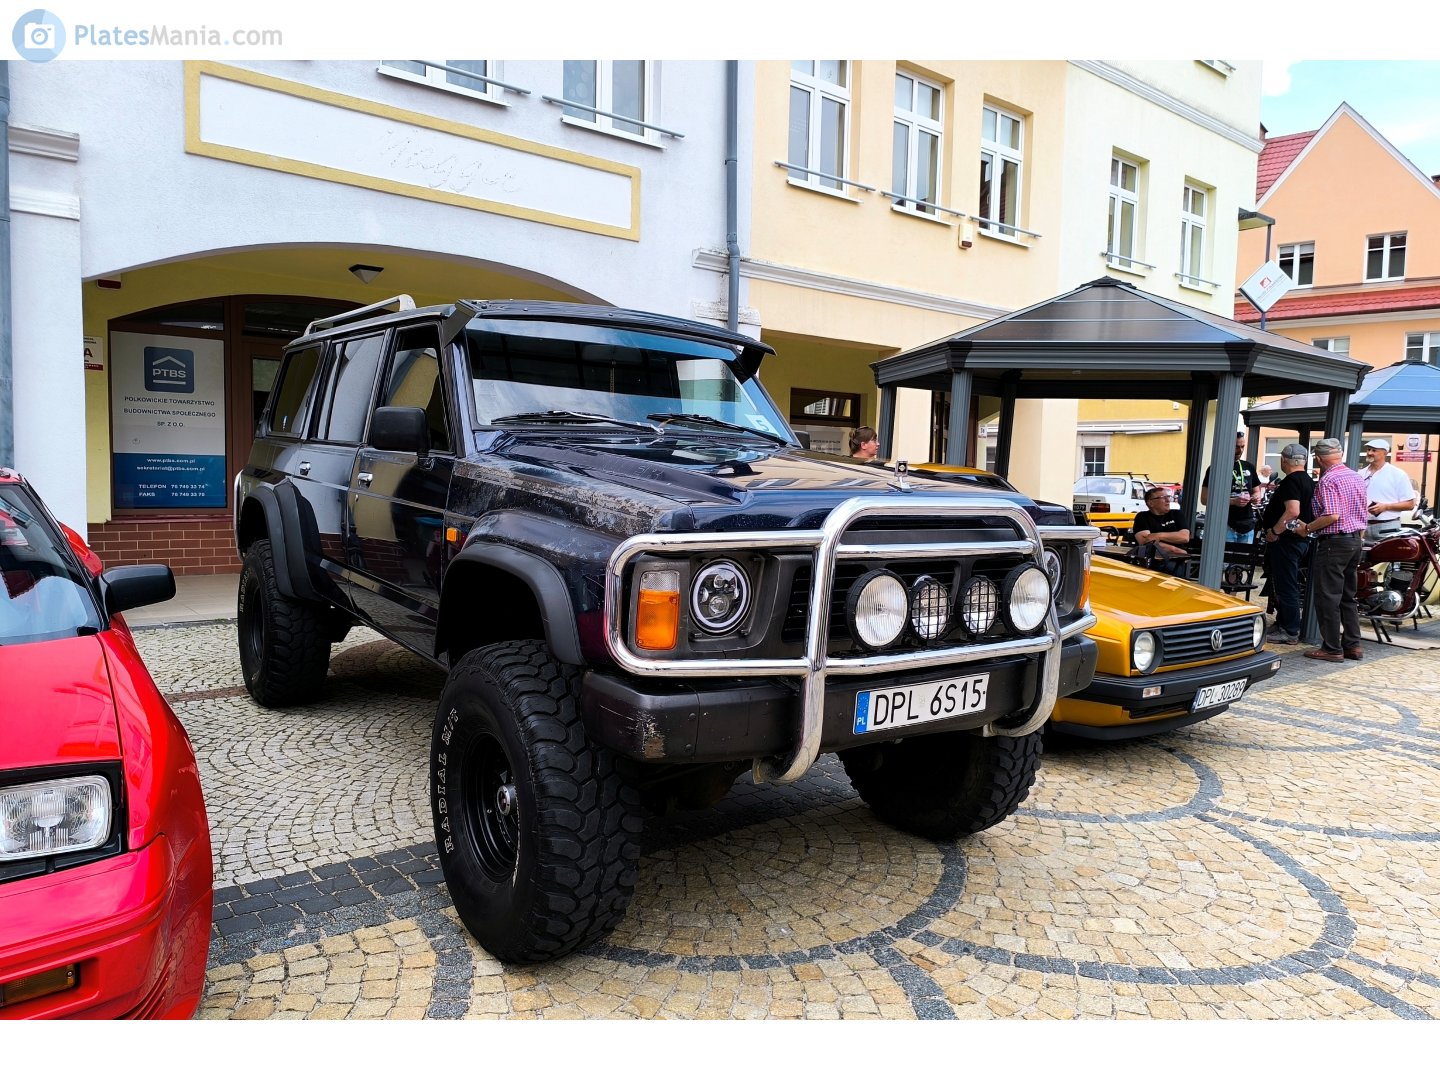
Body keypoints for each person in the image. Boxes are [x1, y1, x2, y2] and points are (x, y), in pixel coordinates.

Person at [1292, 438, 1368, 662]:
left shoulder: (1328, 480)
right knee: (1348, 596)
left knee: (1328, 596)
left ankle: (1332, 648)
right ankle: (1353, 645)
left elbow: (1332, 515)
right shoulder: (1356, 476)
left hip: (1334, 543)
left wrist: (1307, 529)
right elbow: (1363, 512)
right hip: (1354, 540)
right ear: (1340, 455)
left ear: (1318, 458)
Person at [1258, 444, 1315, 644]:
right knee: (1286, 584)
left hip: (1287, 541)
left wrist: (1275, 531)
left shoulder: (1291, 481)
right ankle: (1283, 622)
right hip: (1299, 540)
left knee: (1286, 585)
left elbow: (1293, 511)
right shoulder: (1308, 480)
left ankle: (1290, 630)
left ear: (1284, 460)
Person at [1200, 429, 1264, 543]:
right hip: (1224, 524)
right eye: (1236, 447)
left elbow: (1256, 490)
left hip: (1247, 523)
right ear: (1228, 446)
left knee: (1243, 559)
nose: (1240, 450)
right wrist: (1232, 501)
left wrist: (1256, 497)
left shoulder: (1248, 466)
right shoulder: (1215, 468)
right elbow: (1204, 499)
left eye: (1242, 446)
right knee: (1225, 559)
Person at [1358, 438, 1415, 542]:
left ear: (1385, 453)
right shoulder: (1360, 474)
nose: (1369, 453)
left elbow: (1410, 504)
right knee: (1361, 558)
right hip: (1362, 527)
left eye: (1374, 450)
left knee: (1388, 558)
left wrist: (1386, 506)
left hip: (1388, 528)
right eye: (1368, 449)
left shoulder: (1398, 474)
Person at [1131, 487, 1190, 574]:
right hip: (1152, 561)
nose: (1168, 500)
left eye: (1168, 497)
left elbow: (1184, 537)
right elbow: (1146, 542)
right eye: (1163, 497)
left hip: (1176, 560)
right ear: (1151, 503)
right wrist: (1174, 549)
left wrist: (1158, 536)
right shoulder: (1142, 517)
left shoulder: (1176, 514)